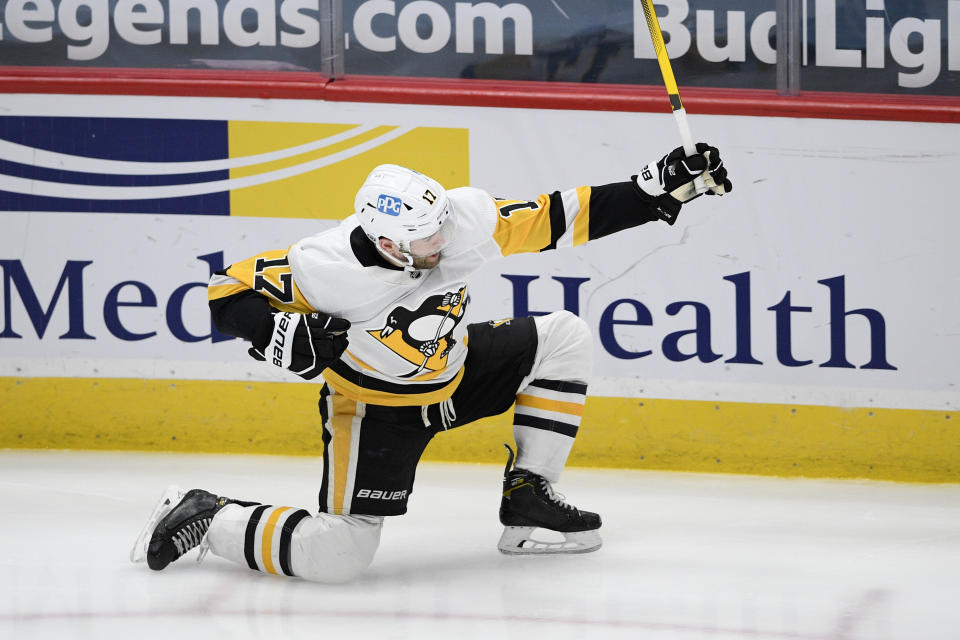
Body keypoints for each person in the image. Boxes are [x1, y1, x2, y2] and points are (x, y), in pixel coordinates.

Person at [130, 143, 732, 582]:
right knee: (339, 556)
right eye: (425, 239)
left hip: (457, 370)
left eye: (441, 226)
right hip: (374, 412)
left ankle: (528, 497)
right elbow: (224, 290)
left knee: (564, 335)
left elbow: (554, 218)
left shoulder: (459, 219)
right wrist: (279, 330)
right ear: (386, 242)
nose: (441, 245)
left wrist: (652, 191)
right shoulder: (324, 268)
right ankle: (211, 516)